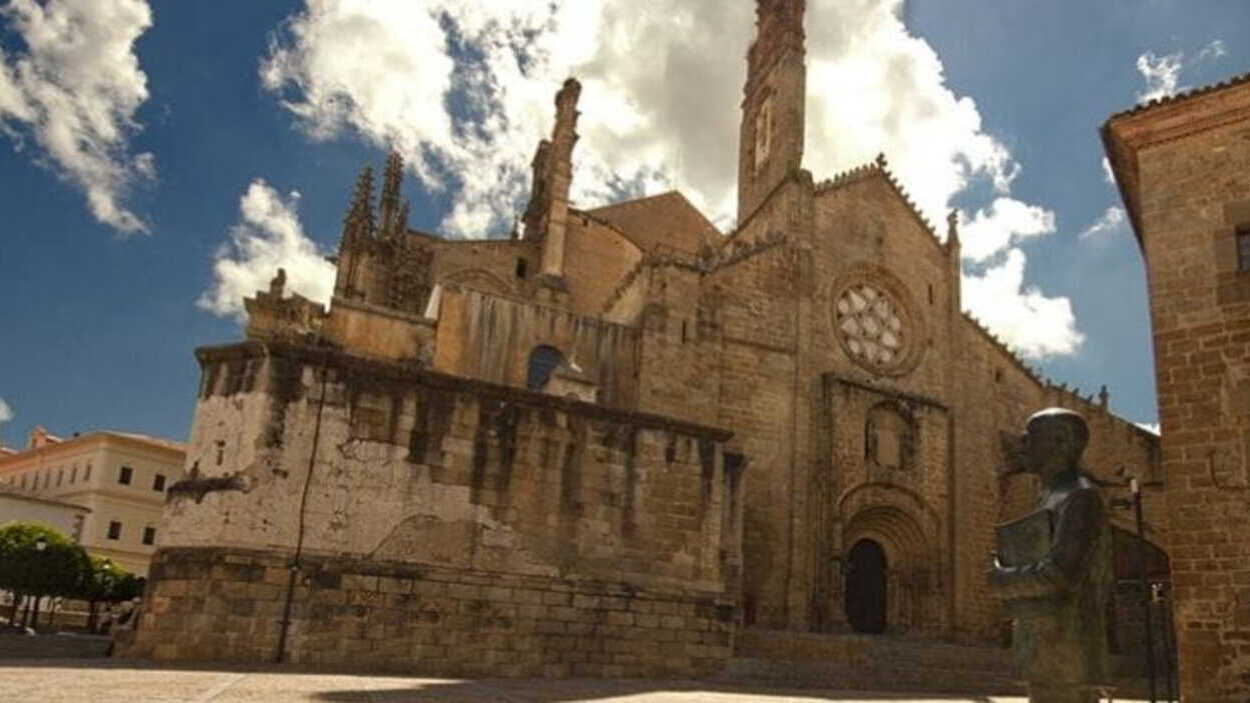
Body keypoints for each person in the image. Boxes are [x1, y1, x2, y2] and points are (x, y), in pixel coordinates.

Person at [989, 408, 1113, 703]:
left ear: (1061, 441)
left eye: (1031, 437)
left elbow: (1061, 574)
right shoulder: (1051, 496)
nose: (1022, 444)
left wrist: (1000, 577)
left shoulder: (1081, 496)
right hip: (1046, 646)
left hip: (1068, 649)